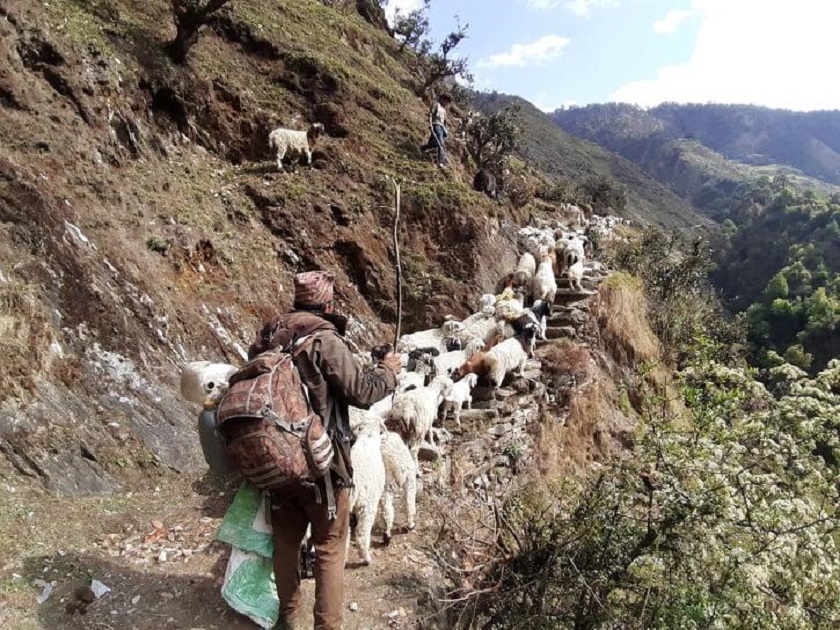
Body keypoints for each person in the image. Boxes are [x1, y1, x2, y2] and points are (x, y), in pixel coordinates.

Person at [246, 270, 401, 630]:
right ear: (328, 303)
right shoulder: (325, 340)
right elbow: (361, 391)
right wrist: (388, 372)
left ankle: (287, 619)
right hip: (323, 467)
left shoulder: (270, 335)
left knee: (285, 543)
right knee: (330, 549)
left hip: (279, 461)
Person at [419, 93, 452, 168]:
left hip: (442, 128)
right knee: (441, 143)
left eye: (447, 102)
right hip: (436, 125)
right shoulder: (436, 105)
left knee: (435, 142)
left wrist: (445, 130)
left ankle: (424, 148)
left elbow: (445, 122)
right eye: (446, 101)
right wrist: (430, 124)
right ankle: (441, 162)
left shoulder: (444, 110)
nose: (446, 103)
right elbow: (431, 114)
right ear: (442, 99)